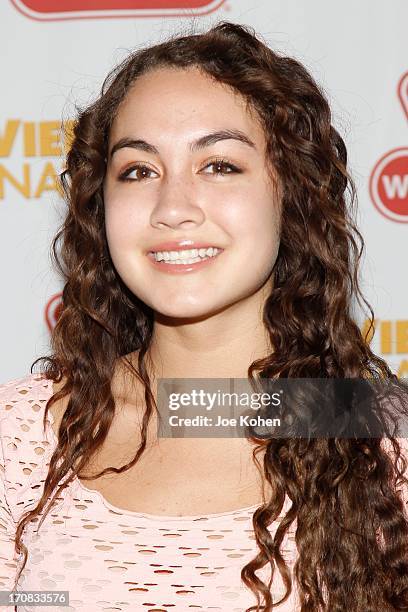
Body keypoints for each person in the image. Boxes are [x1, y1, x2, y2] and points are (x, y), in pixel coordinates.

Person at [1, 20, 408, 612]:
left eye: (219, 165)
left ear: (292, 193)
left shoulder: (385, 438)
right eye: (138, 171)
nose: (173, 208)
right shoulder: (20, 434)